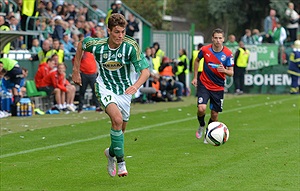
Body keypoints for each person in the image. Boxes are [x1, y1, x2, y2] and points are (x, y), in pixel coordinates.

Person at [72, 13, 150, 177]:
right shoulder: (97, 45)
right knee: (117, 120)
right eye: (116, 32)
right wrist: (75, 70)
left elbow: (145, 72)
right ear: (109, 31)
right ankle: (121, 163)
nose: (120, 36)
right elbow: (81, 44)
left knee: (120, 133)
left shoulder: (130, 46)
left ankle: (111, 154)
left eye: (122, 31)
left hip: (124, 91)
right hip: (104, 87)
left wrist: (135, 86)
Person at [191, 28, 234, 143]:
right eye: (216, 38)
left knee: (214, 115)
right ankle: (201, 125)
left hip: (218, 87)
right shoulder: (205, 50)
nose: (218, 40)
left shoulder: (228, 54)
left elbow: (231, 72)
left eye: (220, 38)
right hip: (204, 84)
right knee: (201, 108)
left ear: (223, 39)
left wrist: (224, 70)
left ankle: (208, 133)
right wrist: (195, 77)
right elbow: (196, 60)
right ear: (212, 38)